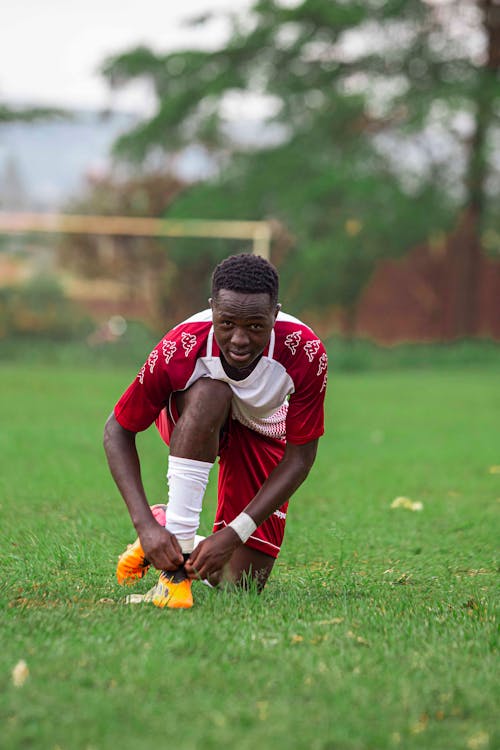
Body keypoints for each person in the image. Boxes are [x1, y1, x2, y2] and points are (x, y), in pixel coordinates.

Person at [104, 253, 328, 608]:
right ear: (212, 310)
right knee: (212, 392)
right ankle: (172, 577)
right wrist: (145, 526)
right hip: (193, 418)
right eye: (227, 324)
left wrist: (234, 534)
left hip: (261, 430)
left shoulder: (304, 351)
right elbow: (117, 429)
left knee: (241, 585)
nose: (239, 339)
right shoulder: (182, 345)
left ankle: (175, 524)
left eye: (255, 326)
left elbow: (301, 456)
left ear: (275, 314)